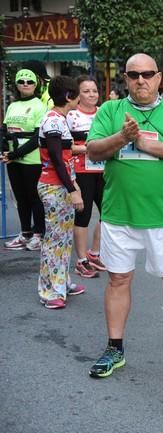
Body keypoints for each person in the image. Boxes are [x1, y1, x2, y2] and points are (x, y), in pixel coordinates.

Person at [86, 53, 163, 378]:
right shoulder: (111, 111)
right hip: (118, 215)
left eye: (147, 74)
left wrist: (142, 143)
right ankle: (115, 347)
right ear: (125, 80)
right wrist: (121, 138)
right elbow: (93, 150)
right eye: (133, 75)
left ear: (159, 78)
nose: (140, 80)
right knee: (118, 279)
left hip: (162, 216)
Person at [36, 75, 86, 309]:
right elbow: (56, 157)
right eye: (78, 95)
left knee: (63, 238)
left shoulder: (58, 119)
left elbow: (64, 152)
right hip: (55, 186)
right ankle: (49, 291)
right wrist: (72, 188)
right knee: (55, 239)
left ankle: (61, 282)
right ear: (69, 96)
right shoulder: (54, 120)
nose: (80, 101)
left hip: (61, 184)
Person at [2, 69, 47, 251]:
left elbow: (37, 137)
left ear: (36, 85)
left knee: (34, 197)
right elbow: (4, 130)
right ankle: (25, 232)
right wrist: (4, 150)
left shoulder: (39, 106)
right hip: (13, 160)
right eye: (21, 81)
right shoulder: (12, 105)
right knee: (20, 198)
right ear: (17, 84)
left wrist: (15, 154)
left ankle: (39, 234)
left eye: (29, 81)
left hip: (32, 160)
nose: (25, 84)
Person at [68, 75, 106, 279]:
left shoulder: (103, 113)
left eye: (94, 90)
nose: (92, 94)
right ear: (78, 94)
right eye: (86, 91)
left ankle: (94, 253)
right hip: (82, 172)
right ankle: (81, 261)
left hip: (104, 171)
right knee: (83, 216)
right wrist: (88, 148)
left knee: (108, 214)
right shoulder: (72, 116)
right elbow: (65, 148)